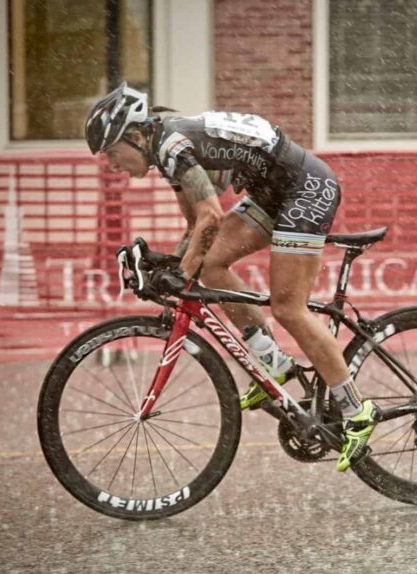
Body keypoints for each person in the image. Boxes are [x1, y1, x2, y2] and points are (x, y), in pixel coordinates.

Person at [84, 81, 375, 472]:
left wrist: (179, 274)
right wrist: (168, 265)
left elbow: (211, 216)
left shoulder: (172, 146)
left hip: (306, 188)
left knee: (289, 308)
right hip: (273, 192)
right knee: (208, 264)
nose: (112, 165)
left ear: (135, 136)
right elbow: (195, 227)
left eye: (113, 153)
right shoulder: (164, 150)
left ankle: (357, 410)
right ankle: (270, 360)